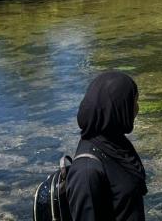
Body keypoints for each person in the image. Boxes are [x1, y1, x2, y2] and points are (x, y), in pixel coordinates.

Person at [67, 71, 148, 221]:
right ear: (117, 107)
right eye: (133, 102)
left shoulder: (116, 144)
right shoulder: (87, 171)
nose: (137, 109)